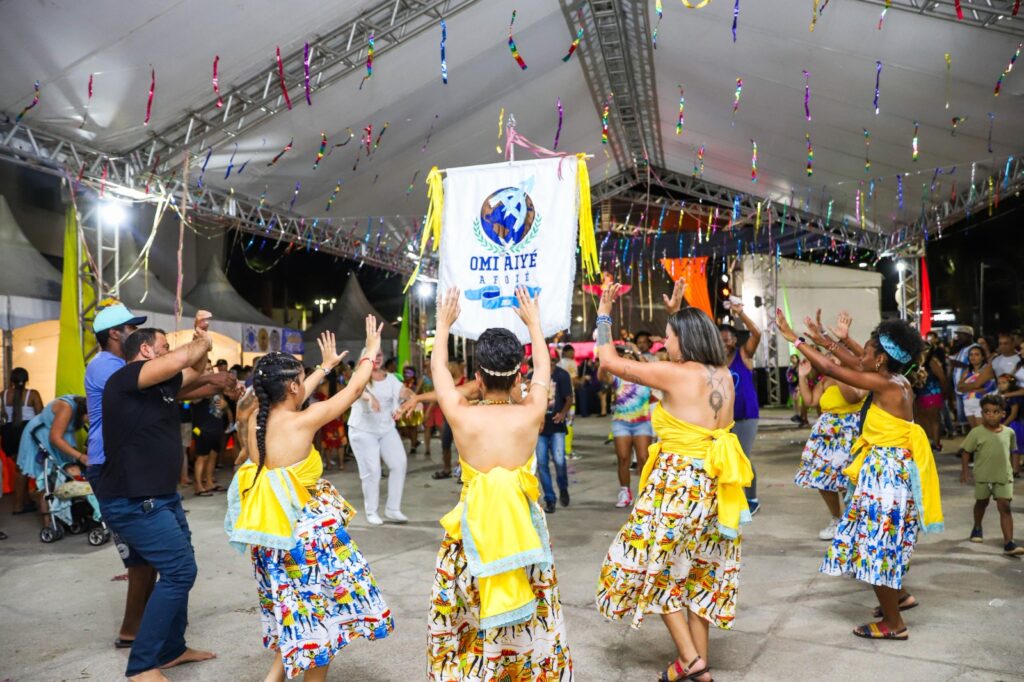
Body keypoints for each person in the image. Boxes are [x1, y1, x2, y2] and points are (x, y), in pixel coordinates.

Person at [595, 281, 751, 682]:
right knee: (701, 573)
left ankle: (689, 659)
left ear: (685, 339)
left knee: (654, 566)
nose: (664, 344)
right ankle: (701, 664)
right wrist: (678, 313)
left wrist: (604, 312)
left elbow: (608, 361)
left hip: (677, 484)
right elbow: (688, 364)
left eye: (668, 337)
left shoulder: (672, 374)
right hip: (715, 487)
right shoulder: (725, 376)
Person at [226, 325, 394, 681]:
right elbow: (355, 390)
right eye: (300, 380)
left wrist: (324, 367)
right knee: (320, 630)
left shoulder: (257, 418)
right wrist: (370, 350)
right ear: (291, 387)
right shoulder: (302, 422)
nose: (304, 385)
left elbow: (294, 396)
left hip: (271, 535)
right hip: (305, 538)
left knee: (299, 619)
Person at [426, 286, 573, 681]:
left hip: (471, 533)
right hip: (524, 534)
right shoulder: (531, 414)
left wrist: (443, 325)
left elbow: (439, 370)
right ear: (517, 376)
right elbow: (543, 370)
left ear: (476, 377)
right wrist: (535, 324)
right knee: (529, 619)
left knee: (471, 623)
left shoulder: (460, 414)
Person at [778, 311, 942, 641]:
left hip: (886, 476)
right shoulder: (898, 379)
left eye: (868, 351)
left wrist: (794, 339)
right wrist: (828, 339)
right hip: (889, 471)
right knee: (879, 542)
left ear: (881, 360)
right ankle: (898, 600)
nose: (860, 354)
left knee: (876, 545)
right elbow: (854, 360)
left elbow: (831, 368)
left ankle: (894, 624)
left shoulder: (883, 383)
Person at [94, 318, 217, 681]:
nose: (168, 352)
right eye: (163, 347)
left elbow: (194, 370)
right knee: (180, 571)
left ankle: (171, 649)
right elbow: (183, 360)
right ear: (146, 351)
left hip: (160, 496)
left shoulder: (159, 387)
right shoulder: (124, 379)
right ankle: (142, 666)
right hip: (134, 500)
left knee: (181, 567)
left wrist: (200, 345)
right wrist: (200, 340)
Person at [794, 355, 867, 541]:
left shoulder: (858, 376)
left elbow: (852, 398)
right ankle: (836, 518)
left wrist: (837, 374)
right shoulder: (825, 380)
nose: (829, 359)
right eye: (828, 357)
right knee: (823, 478)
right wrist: (802, 376)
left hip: (849, 434)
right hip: (827, 435)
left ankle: (854, 521)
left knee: (848, 480)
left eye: (833, 356)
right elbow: (810, 401)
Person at [347, 348, 413, 525]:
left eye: (379, 355)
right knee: (372, 471)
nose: (376, 359)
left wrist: (414, 397)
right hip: (362, 430)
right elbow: (355, 391)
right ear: (365, 358)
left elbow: (403, 392)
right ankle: (371, 511)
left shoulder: (390, 378)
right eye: (373, 355)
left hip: (385, 428)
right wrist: (369, 397)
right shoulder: (359, 376)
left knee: (399, 464)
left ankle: (393, 509)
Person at [15, 394, 96, 528]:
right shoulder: (66, 407)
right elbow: (55, 438)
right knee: (46, 476)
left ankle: (67, 513)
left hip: (62, 436)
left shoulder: (84, 409)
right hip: (42, 435)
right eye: (90, 419)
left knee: (65, 474)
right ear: (84, 412)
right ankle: (47, 521)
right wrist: (80, 456)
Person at [959, 394, 1024, 556]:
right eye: (987, 412)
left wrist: (1012, 470)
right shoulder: (976, 433)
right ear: (982, 413)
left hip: (1003, 476)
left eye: (996, 412)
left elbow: (1010, 452)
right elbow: (966, 452)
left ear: (1003, 414)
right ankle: (977, 526)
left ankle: (1009, 542)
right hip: (983, 476)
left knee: (1005, 507)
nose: (991, 415)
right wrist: (965, 471)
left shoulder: (1009, 433)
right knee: (981, 502)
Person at [719, 300, 762, 514]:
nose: (725, 343)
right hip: (723, 418)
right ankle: (731, 498)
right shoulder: (713, 362)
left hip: (746, 415)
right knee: (725, 458)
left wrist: (741, 314)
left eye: (727, 339)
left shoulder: (743, 355)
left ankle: (752, 498)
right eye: (721, 340)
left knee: (742, 457)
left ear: (735, 340)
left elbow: (756, 334)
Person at [600, 344, 653, 508]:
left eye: (632, 359)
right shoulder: (617, 377)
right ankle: (625, 492)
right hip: (621, 423)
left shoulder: (646, 376)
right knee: (623, 459)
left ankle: (644, 494)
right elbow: (602, 376)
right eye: (625, 359)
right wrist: (604, 359)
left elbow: (649, 366)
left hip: (642, 423)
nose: (628, 361)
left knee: (644, 459)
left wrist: (635, 350)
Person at [536, 347, 574, 513]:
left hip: (557, 426)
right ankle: (550, 499)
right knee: (542, 464)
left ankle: (563, 488)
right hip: (539, 428)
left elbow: (569, 398)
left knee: (559, 461)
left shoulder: (562, 375)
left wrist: (563, 413)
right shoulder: (533, 375)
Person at [2, 367, 44, 515]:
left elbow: (3, 416)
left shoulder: (3, 394)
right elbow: (41, 416)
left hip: (8, 433)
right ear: (26, 379)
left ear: (12, 380)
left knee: (20, 468)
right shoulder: (32, 394)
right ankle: (18, 506)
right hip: (26, 432)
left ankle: (26, 501)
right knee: (22, 469)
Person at [190, 362, 233, 496]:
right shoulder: (195, 387)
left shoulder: (215, 387)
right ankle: (199, 486)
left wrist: (225, 405)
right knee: (202, 457)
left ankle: (209, 482)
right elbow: (193, 401)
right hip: (202, 428)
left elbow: (220, 404)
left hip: (216, 426)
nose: (211, 371)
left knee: (213, 456)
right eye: (207, 369)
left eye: (211, 369)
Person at [914, 334, 948, 451]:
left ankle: (936, 443)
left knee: (934, 419)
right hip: (920, 393)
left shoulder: (932, 362)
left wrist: (944, 393)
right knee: (921, 418)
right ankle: (929, 441)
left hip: (932, 392)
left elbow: (942, 377)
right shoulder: (917, 362)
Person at [948, 326, 978, 434]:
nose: (958, 337)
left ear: (968, 336)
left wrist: (954, 363)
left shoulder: (974, 348)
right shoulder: (961, 348)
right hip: (959, 389)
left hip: (969, 389)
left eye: (960, 335)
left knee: (970, 418)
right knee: (962, 419)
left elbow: (973, 365)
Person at [958, 346, 996, 428]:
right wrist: (975, 388)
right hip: (967, 403)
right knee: (975, 432)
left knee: (983, 432)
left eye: (976, 354)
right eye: (971, 355)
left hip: (980, 403)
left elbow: (979, 386)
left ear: (982, 357)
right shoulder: (967, 371)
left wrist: (967, 387)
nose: (973, 357)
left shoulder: (986, 369)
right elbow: (959, 388)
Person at [996, 374, 1023, 477]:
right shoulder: (1001, 396)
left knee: (1015, 448)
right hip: (1005, 422)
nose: (1001, 385)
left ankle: (1015, 469)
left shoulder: (1013, 398)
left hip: (1014, 424)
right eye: (999, 383)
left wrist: (1003, 425)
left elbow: (1013, 414)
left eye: (1004, 383)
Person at [558, 345, 581, 459]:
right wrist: (582, 380)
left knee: (561, 423)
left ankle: (560, 450)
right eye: (572, 351)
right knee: (569, 423)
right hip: (570, 398)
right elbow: (575, 380)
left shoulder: (559, 363)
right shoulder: (572, 363)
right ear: (567, 352)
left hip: (559, 399)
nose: (573, 354)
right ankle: (568, 451)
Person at [396, 366, 424, 454]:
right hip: (403, 407)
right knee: (403, 429)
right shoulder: (400, 383)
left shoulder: (417, 382)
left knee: (413, 427)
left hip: (414, 407)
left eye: (408, 372)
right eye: (404, 372)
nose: (406, 374)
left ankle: (413, 446)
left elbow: (416, 393)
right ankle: (415, 441)